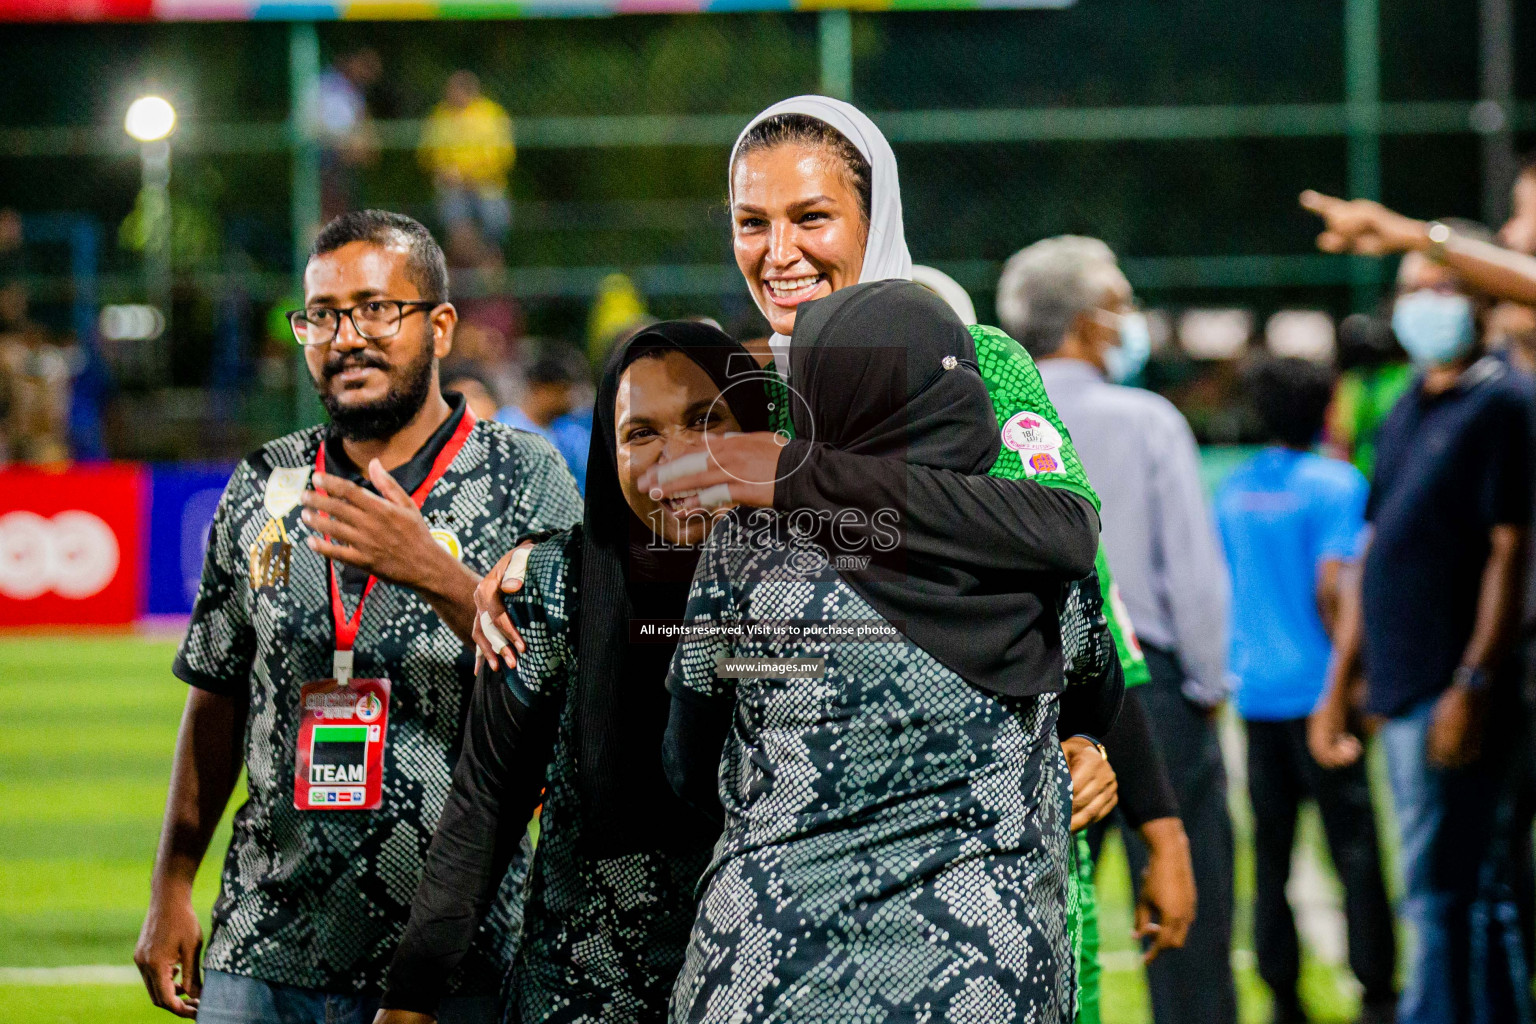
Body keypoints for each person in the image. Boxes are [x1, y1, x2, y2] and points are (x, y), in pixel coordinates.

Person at [616, 96, 1194, 1010]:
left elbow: (1062, 537)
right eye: (751, 223)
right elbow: (655, 570)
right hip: (776, 876)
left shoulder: (974, 359)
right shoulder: (736, 389)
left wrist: (797, 472)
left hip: (977, 876)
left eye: (811, 218)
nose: (779, 252)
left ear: (874, 219)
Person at [132, 210, 581, 1023]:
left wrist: (438, 576)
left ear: (441, 326)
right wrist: (171, 886)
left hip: (456, 959)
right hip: (263, 949)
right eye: (324, 315)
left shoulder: (525, 475)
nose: (347, 336)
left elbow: (563, 684)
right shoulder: (262, 483)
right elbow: (216, 696)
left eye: (377, 308)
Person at [664, 280, 1075, 1023]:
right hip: (985, 968)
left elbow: (688, 754)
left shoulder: (751, 544)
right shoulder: (1030, 543)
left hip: (770, 964)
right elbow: (1094, 694)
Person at [373, 322, 771, 1024]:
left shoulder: (812, 589)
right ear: (607, 449)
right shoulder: (554, 589)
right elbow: (485, 806)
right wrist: (408, 1002)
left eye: (706, 422)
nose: (675, 458)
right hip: (579, 998)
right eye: (641, 433)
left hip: (760, 992)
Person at [999, 235, 1236, 1024]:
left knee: (1049, 927)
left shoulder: (987, 421)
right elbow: (1194, 578)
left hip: (1037, 696)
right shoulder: (1147, 420)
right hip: (1150, 689)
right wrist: (1207, 684)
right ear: (1090, 321)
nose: (1131, 319)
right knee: (1182, 922)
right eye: (1123, 302)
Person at [1310, 237, 1535, 1024]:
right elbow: (1375, 549)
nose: (1419, 305)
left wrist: (1472, 683)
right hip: (1402, 684)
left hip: (1455, 688)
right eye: (1408, 289)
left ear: (1479, 298)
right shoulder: (1410, 400)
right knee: (1473, 893)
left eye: (1439, 286)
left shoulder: (1505, 403)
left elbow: (1512, 551)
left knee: (1438, 893)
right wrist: (1340, 684)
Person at [1215, 356, 1396, 1023]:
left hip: (1256, 694)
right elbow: (1334, 589)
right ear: (1326, 408)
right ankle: (1377, 989)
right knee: (1354, 848)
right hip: (1324, 696)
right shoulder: (1338, 484)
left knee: (1270, 851)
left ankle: (1281, 992)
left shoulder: (1232, 490)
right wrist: (1357, 684)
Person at [418, 72, 515, 254]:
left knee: (492, 239)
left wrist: (470, 176)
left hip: (486, 185)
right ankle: (472, 264)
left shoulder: (491, 115)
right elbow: (426, 155)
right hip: (451, 187)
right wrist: (443, 171)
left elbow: (503, 157)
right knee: (459, 235)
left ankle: (485, 262)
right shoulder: (440, 115)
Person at [495, 349, 592, 493]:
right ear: (539, 389)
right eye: (561, 391)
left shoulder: (568, 432)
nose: (567, 399)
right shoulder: (504, 426)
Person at [316, 48, 381, 222]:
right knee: (326, 207)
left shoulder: (355, 90)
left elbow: (362, 123)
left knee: (341, 206)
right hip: (323, 155)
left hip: (343, 159)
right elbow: (315, 123)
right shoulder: (327, 83)